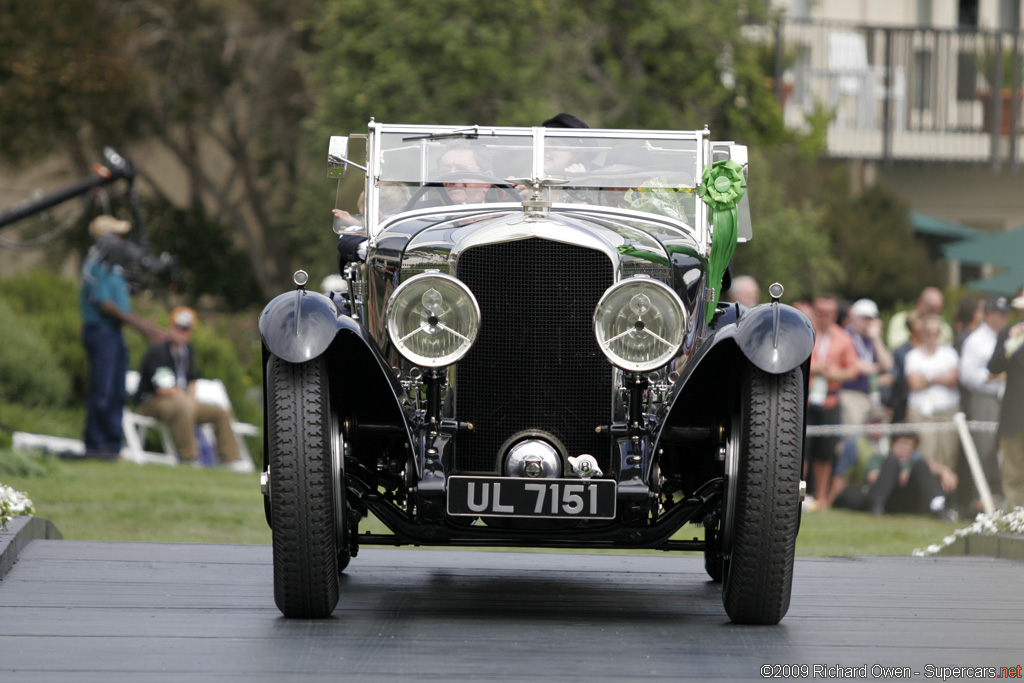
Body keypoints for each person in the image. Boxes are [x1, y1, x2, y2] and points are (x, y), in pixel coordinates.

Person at [80, 215, 164, 459]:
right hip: (101, 333)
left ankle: (112, 447)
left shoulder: (114, 267)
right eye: (117, 236)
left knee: (116, 391)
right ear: (107, 238)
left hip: (114, 334)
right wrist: (142, 328)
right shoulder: (97, 264)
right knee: (103, 390)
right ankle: (95, 446)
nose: (121, 241)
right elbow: (106, 305)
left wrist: (144, 324)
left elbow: (122, 307)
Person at [135, 306, 241, 466]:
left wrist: (191, 399)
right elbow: (163, 388)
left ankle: (230, 460)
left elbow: (192, 381)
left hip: (181, 400)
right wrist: (187, 401)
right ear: (170, 327)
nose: (181, 332)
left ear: (191, 332)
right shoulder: (158, 351)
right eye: (178, 327)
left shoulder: (188, 352)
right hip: (152, 401)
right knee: (183, 407)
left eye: (186, 329)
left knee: (219, 412)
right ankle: (189, 457)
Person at [804, 293, 861, 507]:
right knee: (801, 452)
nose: (824, 316)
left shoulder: (843, 338)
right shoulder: (805, 332)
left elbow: (853, 370)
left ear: (835, 314)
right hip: (807, 400)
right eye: (820, 312)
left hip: (830, 400)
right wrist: (815, 369)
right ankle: (794, 498)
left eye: (829, 313)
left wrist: (833, 374)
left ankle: (822, 499)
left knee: (825, 454)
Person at [830, 427, 956, 518]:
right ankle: (876, 509)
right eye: (902, 444)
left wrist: (945, 472)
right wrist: (899, 475)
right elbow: (873, 477)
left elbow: (931, 467)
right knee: (892, 462)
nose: (905, 449)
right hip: (887, 499)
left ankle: (938, 506)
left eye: (909, 445)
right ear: (893, 444)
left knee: (921, 465)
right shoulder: (882, 459)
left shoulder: (915, 461)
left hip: (909, 501)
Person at [958, 295, 1010, 504]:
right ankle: (979, 501)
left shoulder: (1010, 336)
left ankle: (1003, 499)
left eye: (1005, 314)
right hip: (985, 397)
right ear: (988, 314)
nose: (1002, 318)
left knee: (1006, 448)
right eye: (998, 314)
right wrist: (994, 376)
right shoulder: (976, 340)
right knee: (985, 448)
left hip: (1008, 398)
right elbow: (967, 375)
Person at [904, 313, 960, 473]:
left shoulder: (949, 353)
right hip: (921, 412)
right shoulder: (912, 355)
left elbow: (954, 379)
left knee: (947, 455)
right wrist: (941, 377)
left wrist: (927, 377)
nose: (932, 336)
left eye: (936, 332)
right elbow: (914, 383)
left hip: (947, 411)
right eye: (928, 332)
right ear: (922, 333)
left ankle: (945, 496)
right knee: (925, 454)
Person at [988, 291, 1024, 509]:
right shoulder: (1007, 334)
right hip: (1014, 413)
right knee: (1012, 471)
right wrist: (1010, 341)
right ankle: (1016, 518)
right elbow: (993, 367)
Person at [839, 298, 893, 426]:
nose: (867, 322)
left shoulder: (872, 338)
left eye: (871, 318)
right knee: (853, 435)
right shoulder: (845, 335)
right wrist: (879, 369)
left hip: (872, 395)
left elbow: (888, 364)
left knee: (875, 438)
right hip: (851, 394)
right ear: (853, 317)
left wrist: (876, 339)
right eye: (863, 318)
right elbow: (857, 366)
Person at [887, 286, 952, 350]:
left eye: (938, 309)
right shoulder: (900, 319)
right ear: (920, 303)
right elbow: (896, 346)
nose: (934, 313)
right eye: (931, 308)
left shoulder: (945, 328)